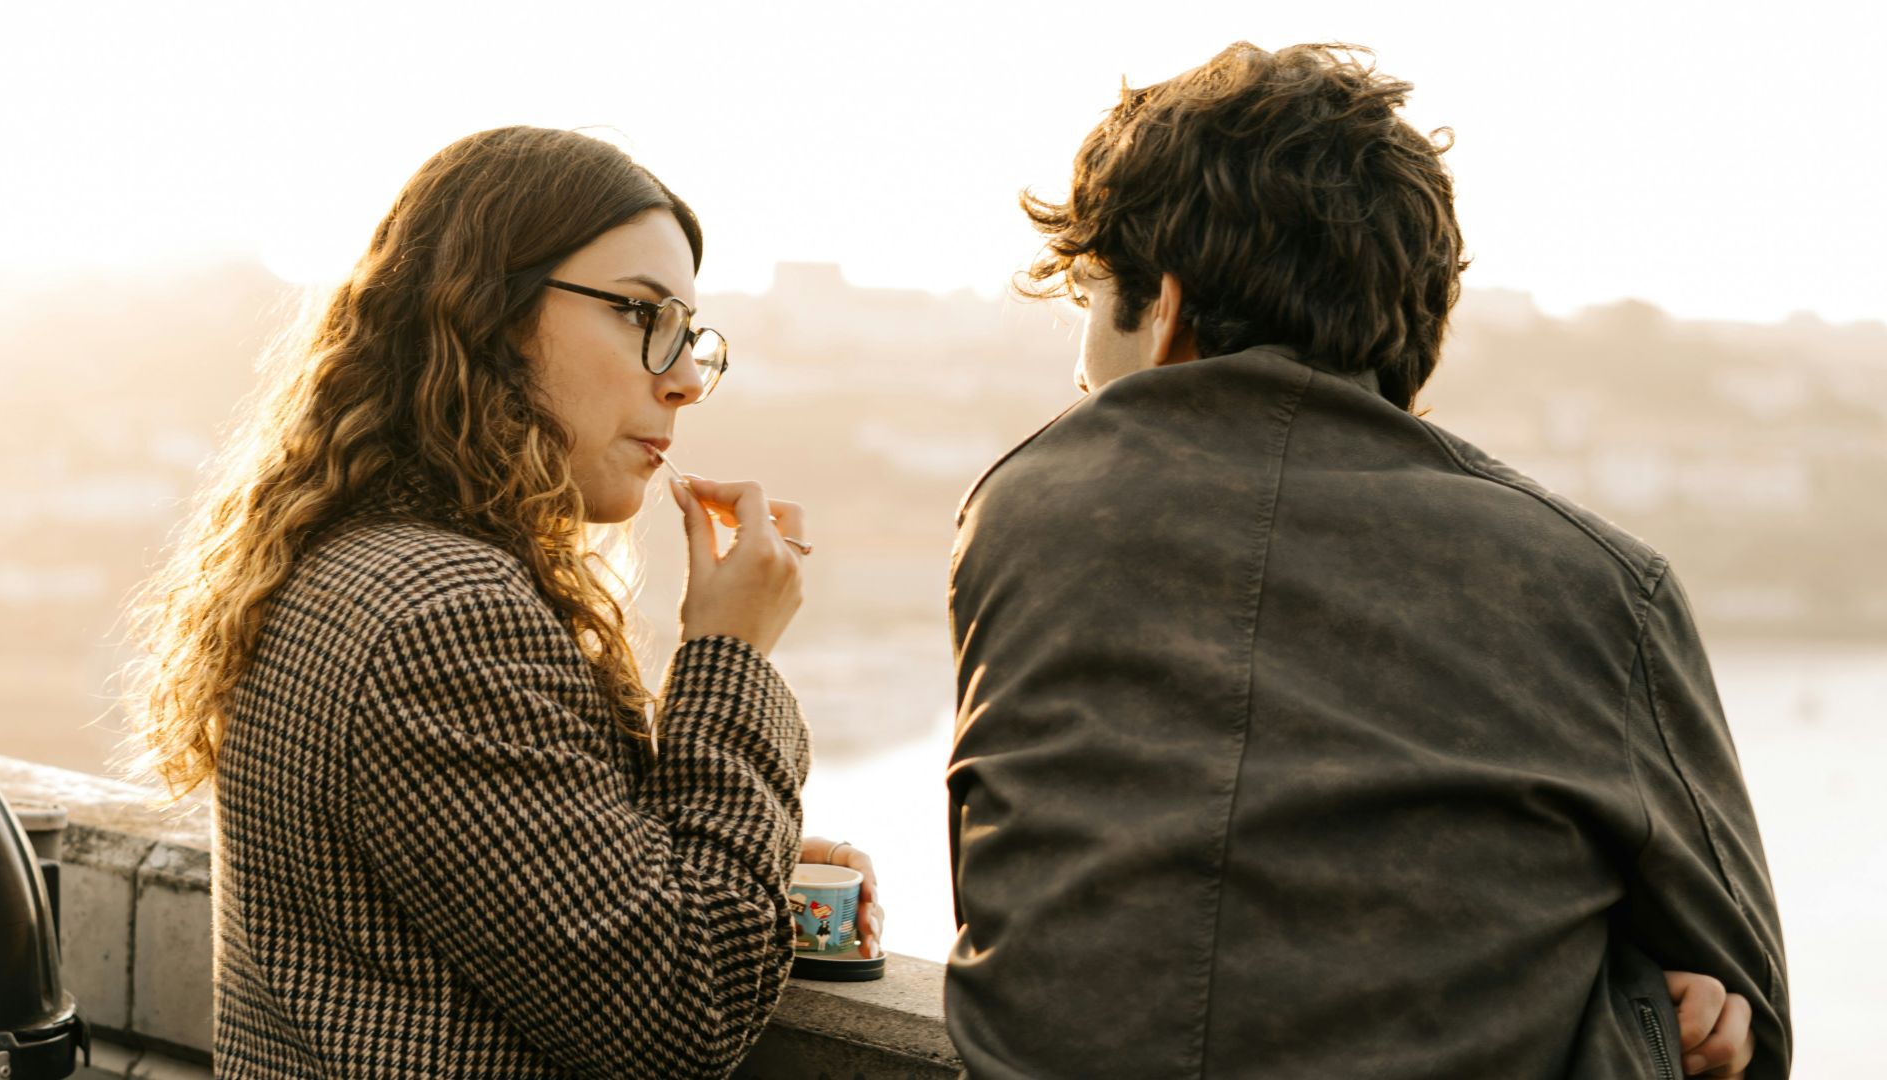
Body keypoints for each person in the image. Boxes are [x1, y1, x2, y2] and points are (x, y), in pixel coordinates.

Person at [945, 43, 1787, 1079]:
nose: (1080, 379)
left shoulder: (1021, 512)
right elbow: (1752, 1013)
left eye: (1087, 309)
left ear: (1160, 311)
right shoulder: (1599, 587)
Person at [124, 126, 880, 1078]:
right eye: (642, 314)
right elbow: (682, 1018)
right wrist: (731, 655)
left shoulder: (349, 556)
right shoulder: (446, 613)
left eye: (689, 335)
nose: (685, 381)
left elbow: (498, 862)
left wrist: (738, 852)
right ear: (487, 314)